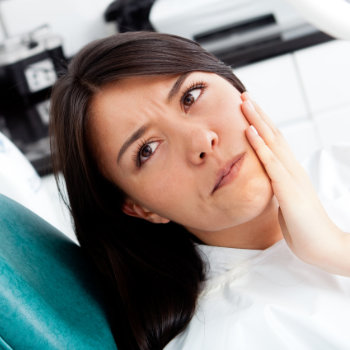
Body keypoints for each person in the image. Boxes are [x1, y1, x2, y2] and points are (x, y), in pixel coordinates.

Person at [49, 32, 350, 350]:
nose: (200, 141)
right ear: (140, 208)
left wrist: (336, 248)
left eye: (190, 97)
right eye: (148, 149)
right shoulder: (227, 338)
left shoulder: (338, 163)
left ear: (231, 83)